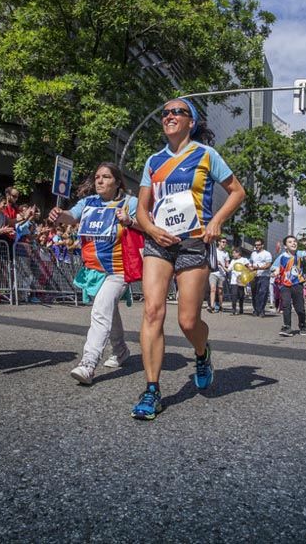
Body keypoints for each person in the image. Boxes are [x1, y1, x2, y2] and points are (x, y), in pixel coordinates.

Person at [131, 97, 245, 420]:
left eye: (177, 112)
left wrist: (216, 220)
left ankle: (201, 351)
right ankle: (152, 390)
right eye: (165, 112)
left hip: (194, 243)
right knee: (152, 310)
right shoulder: (153, 161)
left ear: (190, 122)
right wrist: (151, 230)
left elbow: (237, 192)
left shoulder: (206, 155)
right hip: (159, 242)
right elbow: (142, 208)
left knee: (188, 321)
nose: (169, 116)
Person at [48, 162, 138, 385]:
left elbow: (148, 225)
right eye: (97, 176)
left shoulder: (130, 202)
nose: (99, 181)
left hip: (118, 270)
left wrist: (130, 221)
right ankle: (121, 351)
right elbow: (71, 216)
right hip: (94, 270)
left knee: (101, 309)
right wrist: (60, 214)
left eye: (106, 177)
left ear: (117, 181)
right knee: (107, 308)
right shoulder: (87, 202)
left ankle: (88, 363)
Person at [272, 235, 306, 336]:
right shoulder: (282, 257)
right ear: (285, 246)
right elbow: (274, 267)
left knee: (300, 308)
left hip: (297, 284)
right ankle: (287, 327)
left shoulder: (299, 254)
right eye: (290, 242)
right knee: (286, 305)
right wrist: (275, 272)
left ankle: (302, 325)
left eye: (294, 241)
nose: (293, 243)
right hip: (285, 285)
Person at [248, 238, 273, 317]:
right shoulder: (253, 254)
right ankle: (256, 309)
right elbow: (251, 263)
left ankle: (261, 310)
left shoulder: (267, 254)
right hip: (254, 276)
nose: (256, 247)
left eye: (258, 245)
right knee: (254, 293)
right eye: (255, 245)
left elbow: (268, 265)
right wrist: (250, 267)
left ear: (262, 245)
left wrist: (258, 268)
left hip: (264, 276)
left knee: (263, 293)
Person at [208, 236, 230, 313]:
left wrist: (222, 265)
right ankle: (212, 306)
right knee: (213, 289)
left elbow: (227, 265)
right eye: (223, 242)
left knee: (220, 291)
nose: (224, 244)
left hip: (222, 274)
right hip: (213, 272)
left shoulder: (226, 253)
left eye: (225, 242)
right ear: (219, 242)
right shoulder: (214, 251)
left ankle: (220, 305)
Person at [228, 246, 249, 316]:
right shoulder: (233, 261)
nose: (233, 255)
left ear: (238, 253)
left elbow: (249, 268)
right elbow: (228, 269)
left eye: (234, 253)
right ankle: (233, 310)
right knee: (234, 295)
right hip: (233, 281)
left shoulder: (244, 260)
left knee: (241, 295)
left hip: (241, 281)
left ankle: (241, 308)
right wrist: (221, 265)